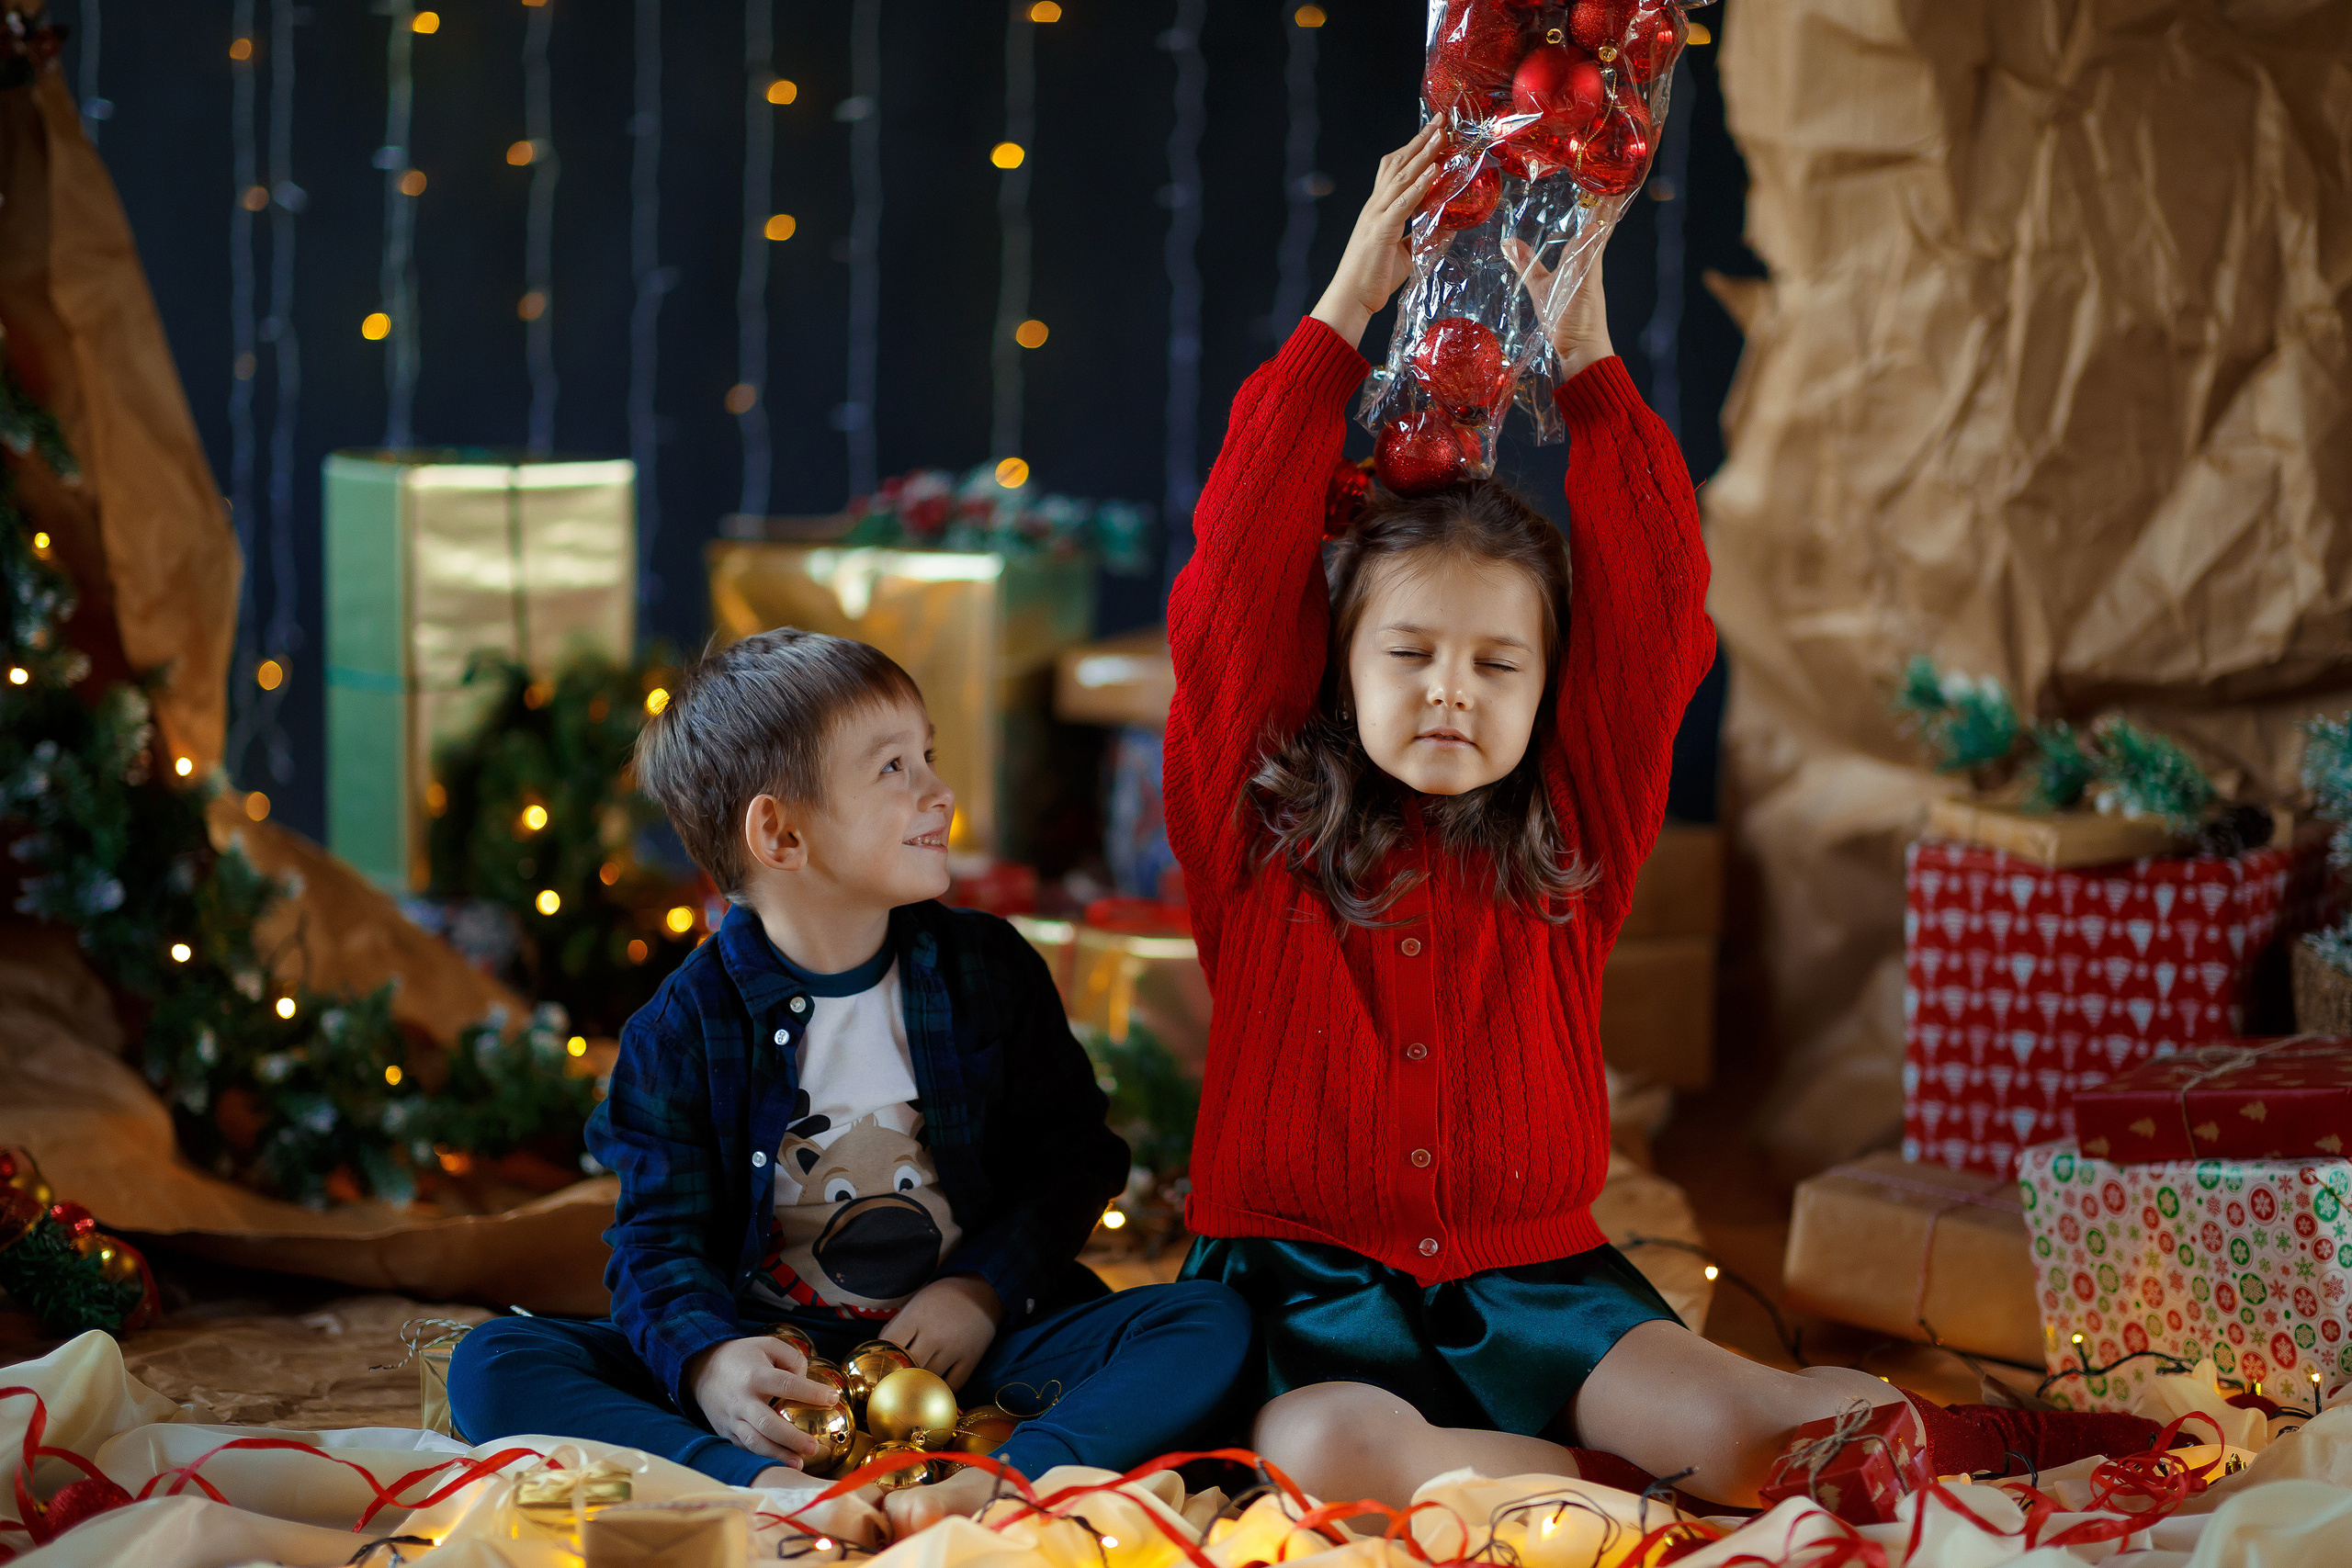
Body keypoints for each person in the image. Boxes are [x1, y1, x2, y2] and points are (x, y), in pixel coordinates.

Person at [1165, 123, 2158, 1510]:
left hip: (1534, 1279)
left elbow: (1653, 606)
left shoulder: (1571, 830)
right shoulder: (1257, 820)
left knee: (1722, 1402)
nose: (1452, 689)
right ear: (1338, 664)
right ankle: (1653, 1486)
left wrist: (1588, 357)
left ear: (1547, 686)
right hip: (1303, 1291)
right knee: (1317, 1451)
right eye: (1410, 654)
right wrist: (1344, 309)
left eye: (1498, 662)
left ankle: (1835, 1438)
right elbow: (1225, 586)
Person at [449, 628, 1256, 1545]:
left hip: (975, 1356)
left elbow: (1073, 1160)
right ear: (782, 834)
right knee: (492, 1360)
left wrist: (978, 1293)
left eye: (928, 758)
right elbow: (655, 1241)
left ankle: (1002, 1478)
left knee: (1211, 1319)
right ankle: (760, 1482)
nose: (938, 792)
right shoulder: (680, 1031)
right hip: (780, 1360)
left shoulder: (985, 975)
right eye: (892, 769)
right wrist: (711, 1364)